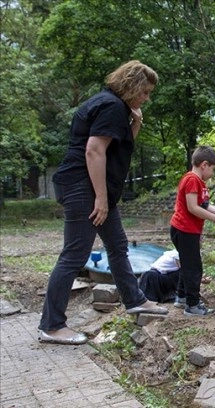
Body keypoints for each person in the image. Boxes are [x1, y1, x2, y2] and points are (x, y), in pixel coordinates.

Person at [39, 60, 167, 345]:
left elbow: (121, 147)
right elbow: (94, 151)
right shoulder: (110, 106)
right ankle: (52, 325)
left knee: (118, 246)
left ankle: (134, 300)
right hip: (83, 187)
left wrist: (137, 121)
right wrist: (100, 198)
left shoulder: (113, 106)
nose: (146, 98)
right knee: (74, 254)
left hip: (93, 188)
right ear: (132, 85)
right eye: (144, 92)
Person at [170, 145, 215, 317]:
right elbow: (193, 208)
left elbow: (206, 205)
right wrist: (214, 218)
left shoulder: (199, 183)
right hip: (184, 230)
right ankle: (192, 306)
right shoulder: (192, 180)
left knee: (188, 264)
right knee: (194, 268)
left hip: (187, 230)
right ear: (204, 164)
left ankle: (182, 297)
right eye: (213, 169)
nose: (213, 174)